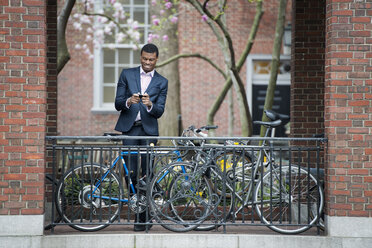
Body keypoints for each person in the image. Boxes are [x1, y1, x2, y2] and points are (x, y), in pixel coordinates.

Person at [114, 43, 168, 231]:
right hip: (129, 130)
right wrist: (129, 101)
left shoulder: (162, 82)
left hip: (148, 132)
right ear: (140, 57)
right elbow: (117, 103)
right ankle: (137, 208)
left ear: (156, 60)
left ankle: (142, 218)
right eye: (144, 59)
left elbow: (159, 111)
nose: (147, 62)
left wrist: (150, 105)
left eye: (151, 60)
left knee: (147, 174)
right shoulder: (126, 74)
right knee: (131, 173)